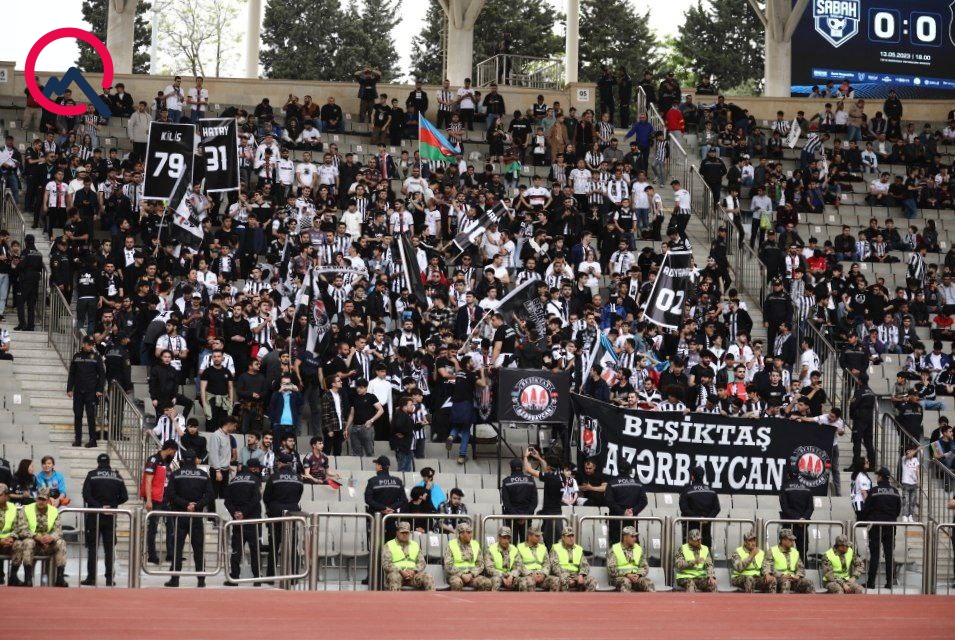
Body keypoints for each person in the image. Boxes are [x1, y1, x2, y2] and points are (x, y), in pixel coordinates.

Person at [164, 449, 212, 588]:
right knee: (198, 548)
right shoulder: (203, 475)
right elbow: (210, 495)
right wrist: (197, 505)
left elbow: (170, 494)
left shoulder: (176, 474)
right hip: (196, 516)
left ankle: (175, 579)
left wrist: (185, 504)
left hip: (180, 516)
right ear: (196, 459)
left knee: (177, 548)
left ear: (183, 460)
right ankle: (201, 580)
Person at [79, 452, 128, 586]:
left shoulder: (92, 475)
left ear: (98, 462)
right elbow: (125, 497)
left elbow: (86, 495)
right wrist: (112, 506)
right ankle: (109, 579)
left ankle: (91, 578)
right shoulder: (117, 476)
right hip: (110, 516)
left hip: (94, 515)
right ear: (109, 462)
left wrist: (99, 507)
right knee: (109, 549)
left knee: (93, 548)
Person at [12, 487, 68, 587]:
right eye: (39, 499)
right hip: (33, 543)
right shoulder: (26, 509)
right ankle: (28, 579)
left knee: (61, 542)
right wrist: (36, 537)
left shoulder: (54, 511)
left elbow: (58, 531)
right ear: (36, 498)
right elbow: (21, 529)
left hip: (48, 545)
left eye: (43, 499)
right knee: (28, 542)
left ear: (48, 500)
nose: (40, 502)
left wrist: (51, 537)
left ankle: (60, 578)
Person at [263, 451, 303, 578]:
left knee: (274, 546)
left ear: (280, 463)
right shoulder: (298, 478)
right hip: (292, 513)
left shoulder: (274, 477)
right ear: (290, 464)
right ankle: (294, 576)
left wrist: (271, 508)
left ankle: (270, 576)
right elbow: (299, 496)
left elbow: (266, 497)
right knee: (293, 546)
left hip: (275, 514)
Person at [224, 457, 263, 586]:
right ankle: (257, 578)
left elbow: (227, 501)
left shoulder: (233, 480)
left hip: (237, 522)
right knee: (255, 550)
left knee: (236, 550)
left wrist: (236, 513)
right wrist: (244, 513)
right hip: (253, 520)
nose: (259, 471)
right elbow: (256, 499)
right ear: (253, 468)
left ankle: (234, 577)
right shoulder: (255, 480)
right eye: (258, 469)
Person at [861, 466, 901, 589]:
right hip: (891, 526)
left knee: (875, 555)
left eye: (877, 476)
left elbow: (866, 508)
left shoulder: (874, 491)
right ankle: (889, 582)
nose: (877, 477)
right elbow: (898, 510)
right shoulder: (895, 491)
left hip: (876, 526)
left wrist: (867, 519)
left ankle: (871, 583)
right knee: (889, 555)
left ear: (880, 477)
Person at [141, 439, 178, 565]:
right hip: (155, 499)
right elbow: (148, 480)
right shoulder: (153, 460)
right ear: (170, 449)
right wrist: (148, 500)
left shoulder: (167, 462)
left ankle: (170, 554)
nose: (174, 455)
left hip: (166, 499)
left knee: (171, 527)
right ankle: (151, 555)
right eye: (174, 452)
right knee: (153, 528)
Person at [67, 335, 105, 448]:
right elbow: (72, 374)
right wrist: (69, 388)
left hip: (91, 391)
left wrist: (100, 389)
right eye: (88, 344)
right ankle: (78, 439)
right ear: (83, 344)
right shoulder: (76, 356)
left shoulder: (96, 356)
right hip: (78, 391)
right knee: (78, 415)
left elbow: (102, 374)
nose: (90, 346)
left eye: (92, 344)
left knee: (91, 416)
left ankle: (93, 440)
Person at [364, 456, 407, 542]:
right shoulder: (397, 481)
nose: (375, 467)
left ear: (380, 466)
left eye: (376, 465)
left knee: (376, 543)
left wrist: (383, 508)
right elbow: (403, 500)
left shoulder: (372, 481)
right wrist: (390, 508)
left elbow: (368, 500)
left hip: (376, 518)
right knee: (390, 544)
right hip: (391, 517)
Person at [382, 520, 434, 591]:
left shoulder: (415, 545)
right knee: (394, 577)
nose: (404, 534)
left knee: (428, 577)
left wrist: (414, 571)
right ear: (397, 533)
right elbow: (386, 564)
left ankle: (431, 598)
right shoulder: (389, 545)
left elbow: (422, 562)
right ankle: (395, 598)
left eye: (407, 533)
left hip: (413, 575)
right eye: (402, 532)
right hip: (397, 573)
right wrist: (401, 571)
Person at [605, 461, 648, 543]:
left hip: (616, 521)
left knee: (616, 546)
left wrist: (623, 512)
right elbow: (644, 501)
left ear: (618, 469)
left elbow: (609, 501)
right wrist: (633, 511)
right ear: (630, 470)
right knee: (633, 546)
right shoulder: (638, 483)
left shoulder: (612, 483)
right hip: (632, 521)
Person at [679, 465, 721, 548]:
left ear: (692, 477)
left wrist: (698, 518)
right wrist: (707, 519)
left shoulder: (687, 490)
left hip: (690, 528)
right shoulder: (711, 490)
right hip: (706, 529)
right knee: (705, 551)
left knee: (690, 552)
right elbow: (717, 508)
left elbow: (684, 508)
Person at [762, 528, 814, 593]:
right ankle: (784, 600)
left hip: (793, 579)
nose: (792, 542)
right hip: (779, 579)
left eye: (793, 540)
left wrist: (797, 576)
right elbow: (767, 566)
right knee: (786, 582)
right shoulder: (772, 551)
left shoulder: (795, 552)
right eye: (790, 540)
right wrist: (782, 575)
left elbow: (801, 568)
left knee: (809, 583)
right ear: (783, 540)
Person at [778, 466, 814, 559]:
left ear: (788, 475)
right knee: (802, 553)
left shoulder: (784, 487)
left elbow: (785, 508)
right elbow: (810, 508)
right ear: (799, 474)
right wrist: (802, 519)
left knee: (786, 553)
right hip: (803, 525)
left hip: (789, 525)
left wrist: (797, 519)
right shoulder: (807, 487)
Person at [444, 521, 491, 590]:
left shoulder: (475, 544)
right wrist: (462, 575)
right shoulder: (451, 544)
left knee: (486, 583)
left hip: (472, 575)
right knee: (456, 583)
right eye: (468, 533)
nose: (471, 535)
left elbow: (480, 564)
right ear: (461, 534)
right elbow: (448, 565)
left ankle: (480, 598)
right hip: (456, 575)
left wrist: (471, 574)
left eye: (471, 532)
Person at [547, 526, 596, 591]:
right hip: (562, 575)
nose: (571, 538)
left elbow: (585, 565)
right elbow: (555, 566)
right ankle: (566, 597)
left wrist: (581, 575)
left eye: (572, 536)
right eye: (568, 536)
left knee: (592, 581)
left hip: (576, 575)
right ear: (563, 537)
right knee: (564, 580)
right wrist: (567, 577)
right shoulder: (555, 548)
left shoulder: (578, 549)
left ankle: (585, 597)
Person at [607, 525, 654, 592]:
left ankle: (652, 599)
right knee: (626, 582)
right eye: (632, 536)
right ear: (625, 537)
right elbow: (611, 569)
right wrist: (627, 575)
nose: (634, 539)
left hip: (636, 577)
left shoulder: (638, 549)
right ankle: (626, 599)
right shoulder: (614, 549)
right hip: (619, 578)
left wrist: (638, 575)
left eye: (635, 536)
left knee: (648, 582)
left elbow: (645, 567)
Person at [500, 457, 537, 540]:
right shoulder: (530, 480)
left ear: (511, 468)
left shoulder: (506, 481)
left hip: (511, 518)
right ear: (522, 467)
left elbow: (506, 503)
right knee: (526, 544)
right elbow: (534, 502)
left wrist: (516, 516)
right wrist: (525, 516)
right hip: (527, 518)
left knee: (512, 544)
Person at [674, 528, 716, 592]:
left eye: (699, 539)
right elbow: (678, 564)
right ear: (690, 540)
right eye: (696, 540)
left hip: (700, 578)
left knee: (712, 585)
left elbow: (709, 565)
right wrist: (693, 562)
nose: (699, 541)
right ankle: (691, 598)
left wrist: (711, 576)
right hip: (685, 577)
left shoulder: (705, 549)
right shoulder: (683, 548)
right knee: (691, 585)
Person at [484, 526, 524, 591]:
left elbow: (518, 566)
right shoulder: (491, 549)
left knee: (526, 581)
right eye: (504, 538)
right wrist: (502, 577)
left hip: (511, 576)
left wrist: (512, 576)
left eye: (508, 538)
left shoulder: (514, 549)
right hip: (497, 576)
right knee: (496, 581)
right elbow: (489, 568)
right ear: (499, 537)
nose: (506, 541)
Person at [516, 525, 553, 591]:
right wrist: (531, 574)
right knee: (528, 581)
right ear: (529, 536)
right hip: (527, 575)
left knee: (556, 580)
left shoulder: (543, 548)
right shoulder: (520, 547)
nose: (539, 538)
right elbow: (519, 565)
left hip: (541, 575)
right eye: (536, 536)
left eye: (539, 536)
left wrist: (543, 574)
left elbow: (547, 564)